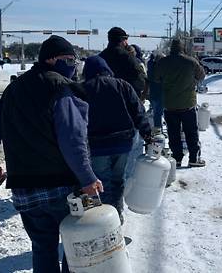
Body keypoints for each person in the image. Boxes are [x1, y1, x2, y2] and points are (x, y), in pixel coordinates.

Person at [0, 35, 101, 273]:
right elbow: (73, 141)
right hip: (61, 188)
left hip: (25, 191)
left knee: (42, 247)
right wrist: (87, 179)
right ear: (54, 60)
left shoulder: (13, 90)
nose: (74, 65)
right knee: (73, 245)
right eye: (70, 59)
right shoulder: (61, 89)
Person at [81, 56, 151, 223]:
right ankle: (117, 214)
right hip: (123, 143)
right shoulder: (122, 85)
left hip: (97, 146)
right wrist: (147, 133)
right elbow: (138, 111)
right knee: (118, 180)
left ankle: (106, 222)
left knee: (102, 182)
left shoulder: (82, 89)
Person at [152, 39, 206, 168]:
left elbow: (156, 78)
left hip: (170, 104)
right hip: (188, 103)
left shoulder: (163, 62)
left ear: (171, 48)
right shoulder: (191, 61)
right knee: (191, 132)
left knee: (173, 133)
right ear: (183, 48)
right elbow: (201, 76)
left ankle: (176, 158)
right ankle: (194, 158)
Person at [99, 27, 146, 97]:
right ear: (122, 40)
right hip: (125, 98)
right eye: (126, 39)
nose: (127, 43)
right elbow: (141, 81)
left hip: (104, 98)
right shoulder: (128, 57)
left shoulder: (101, 57)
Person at [147, 51, 165, 133]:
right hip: (162, 94)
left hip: (153, 93)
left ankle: (157, 130)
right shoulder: (161, 69)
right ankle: (159, 130)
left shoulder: (151, 67)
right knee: (159, 113)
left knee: (156, 113)